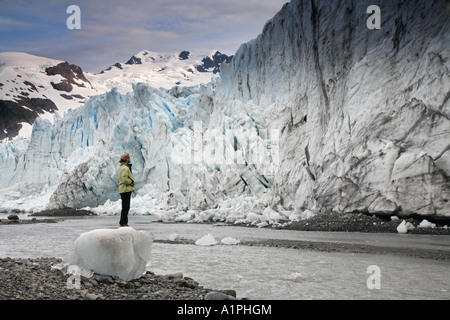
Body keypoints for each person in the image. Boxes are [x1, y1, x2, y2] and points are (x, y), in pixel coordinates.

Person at [117, 153, 135, 227]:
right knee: (126, 207)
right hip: (126, 189)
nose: (129, 159)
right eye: (128, 158)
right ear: (126, 159)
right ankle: (123, 222)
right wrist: (131, 181)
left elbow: (119, 179)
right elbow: (124, 179)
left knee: (125, 207)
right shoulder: (125, 168)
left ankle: (123, 222)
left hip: (123, 189)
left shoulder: (121, 168)